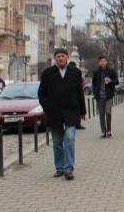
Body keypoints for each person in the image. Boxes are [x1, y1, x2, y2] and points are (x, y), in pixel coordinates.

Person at [38, 47, 86, 181]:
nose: (61, 58)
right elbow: (41, 93)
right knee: (58, 142)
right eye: (58, 56)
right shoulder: (47, 73)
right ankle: (59, 167)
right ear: (55, 58)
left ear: (67, 57)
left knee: (69, 139)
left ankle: (69, 168)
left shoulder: (75, 72)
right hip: (55, 112)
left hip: (71, 111)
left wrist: (82, 111)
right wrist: (47, 107)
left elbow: (79, 93)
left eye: (63, 56)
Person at [92, 56, 119, 138]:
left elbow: (116, 82)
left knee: (108, 113)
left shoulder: (111, 71)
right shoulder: (96, 73)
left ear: (106, 62)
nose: (103, 62)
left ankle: (109, 131)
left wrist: (110, 81)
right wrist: (95, 94)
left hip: (108, 96)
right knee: (101, 114)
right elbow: (93, 84)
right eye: (101, 61)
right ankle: (103, 132)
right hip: (100, 97)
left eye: (104, 61)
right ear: (99, 63)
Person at [68, 61, 86, 130]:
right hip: (77, 93)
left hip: (69, 94)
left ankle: (72, 123)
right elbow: (80, 81)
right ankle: (77, 124)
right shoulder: (77, 71)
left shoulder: (66, 71)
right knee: (77, 109)